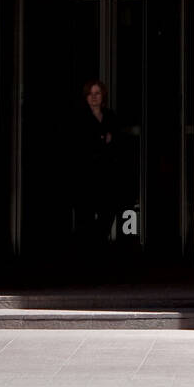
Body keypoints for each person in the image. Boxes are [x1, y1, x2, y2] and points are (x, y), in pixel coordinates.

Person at [76, 78, 119, 256]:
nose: (93, 97)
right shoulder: (80, 118)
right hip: (86, 173)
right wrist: (102, 139)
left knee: (107, 210)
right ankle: (87, 250)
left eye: (97, 93)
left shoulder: (110, 116)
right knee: (85, 212)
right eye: (90, 94)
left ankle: (99, 243)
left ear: (103, 96)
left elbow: (116, 141)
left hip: (106, 173)